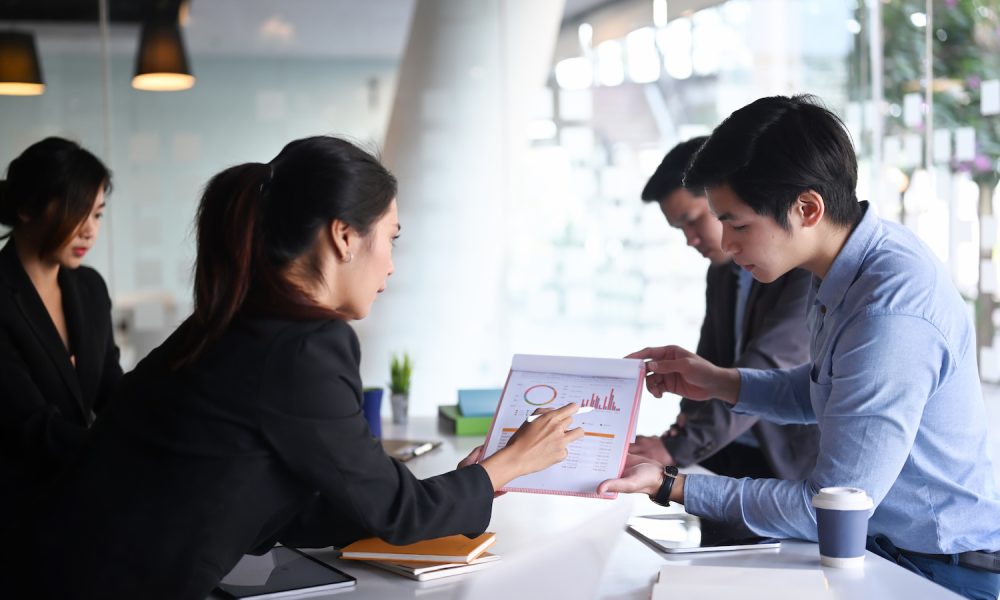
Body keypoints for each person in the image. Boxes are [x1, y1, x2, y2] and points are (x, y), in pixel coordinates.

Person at [29, 136, 584, 600]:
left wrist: (473, 484)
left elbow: (309, 507)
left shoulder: (236, 322)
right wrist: (507, 464)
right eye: (391, 238)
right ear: (344, 236)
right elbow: (396, 510)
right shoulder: (303, 347)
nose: (391, 264)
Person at [600, 95, 1000, 600]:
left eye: (738, 224)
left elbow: (826, 507)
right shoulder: (842, 267)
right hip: (889, 554)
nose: (725, 244)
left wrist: (668, 484)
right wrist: (719, 380)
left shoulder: (889, 307)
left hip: (940, 572)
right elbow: (823, 391)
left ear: (806, 208)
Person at [634, 137, 818, 480]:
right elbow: (710, 362)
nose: (690, 238)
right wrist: (675, 438)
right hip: (725, 453)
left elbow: (764, 367)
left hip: (787, 466)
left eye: (693, 220)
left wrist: (675, 449)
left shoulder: (804, 270)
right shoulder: (722, 270)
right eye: (679, 228)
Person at [0, 137, 121, 542]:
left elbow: (110, 389)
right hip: (14, 514)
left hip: (75, 506)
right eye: (77, 211)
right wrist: (127, 459)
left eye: (98, 214)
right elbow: (30, 424)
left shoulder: (89, 288)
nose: (90, 228)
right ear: (27, 208)